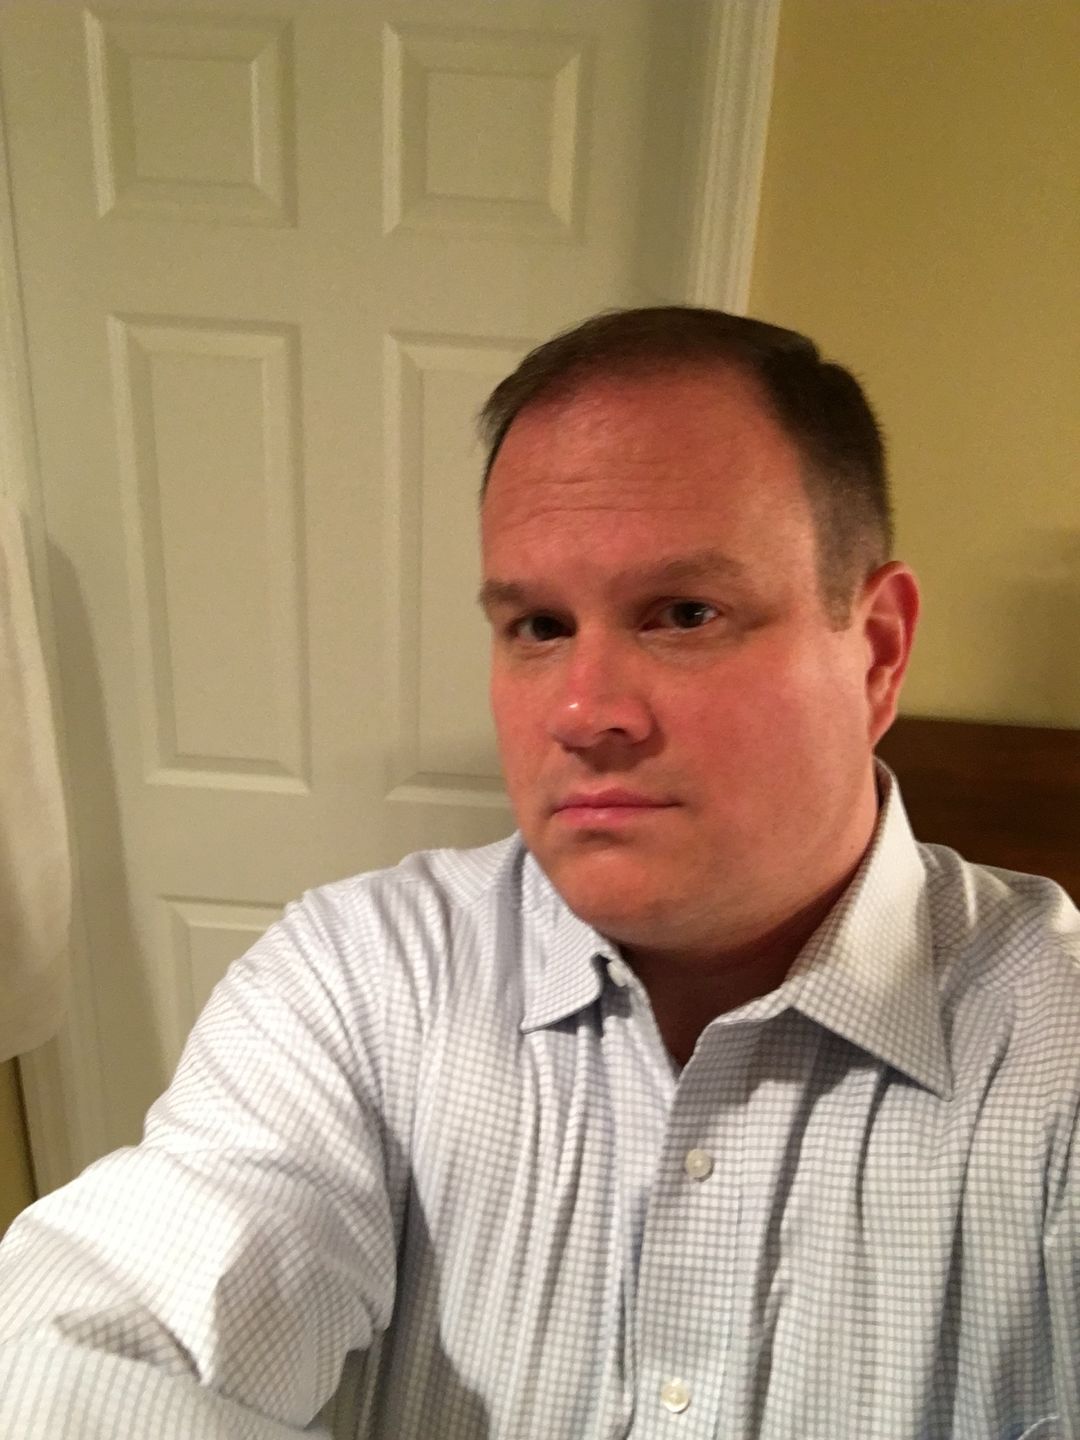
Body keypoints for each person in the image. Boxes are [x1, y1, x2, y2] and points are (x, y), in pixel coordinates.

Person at [0, 307, 1077, 1439]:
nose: (581, 710)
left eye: (685, 614)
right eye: (538, 625)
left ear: (878, 652)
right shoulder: (362, 982)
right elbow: (58, 1353)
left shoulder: (1052, 1054)